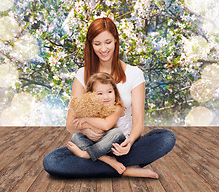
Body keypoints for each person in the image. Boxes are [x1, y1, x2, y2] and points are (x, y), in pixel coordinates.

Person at [43, 17, 176, 178]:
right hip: (91, 144)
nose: (103, 48)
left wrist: (130, 143)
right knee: (52, 161)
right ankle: (124, 169)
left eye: (108, 42)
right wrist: (86, 129)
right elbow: (71, 124)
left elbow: (138, 122)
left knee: (166, 138)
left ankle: (105, 163)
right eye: (97, 44)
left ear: (115, 41)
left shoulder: (134, 74)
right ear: (90, 45)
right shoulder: (82, 75)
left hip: (123, 145)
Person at [67, 72, 126, 174]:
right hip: (96, 145)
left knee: (116, 132)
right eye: (100, 93)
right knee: (76, 137)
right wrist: (86, 129)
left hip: (114, 146)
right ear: (91, 95)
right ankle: (105, 159)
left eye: (109, 92)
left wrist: (86, 119)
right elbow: (75, 124)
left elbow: (106, 125)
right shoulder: (90, 109)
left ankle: (86, 155)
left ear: (115, 92)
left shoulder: (117, 107)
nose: (106, 97)